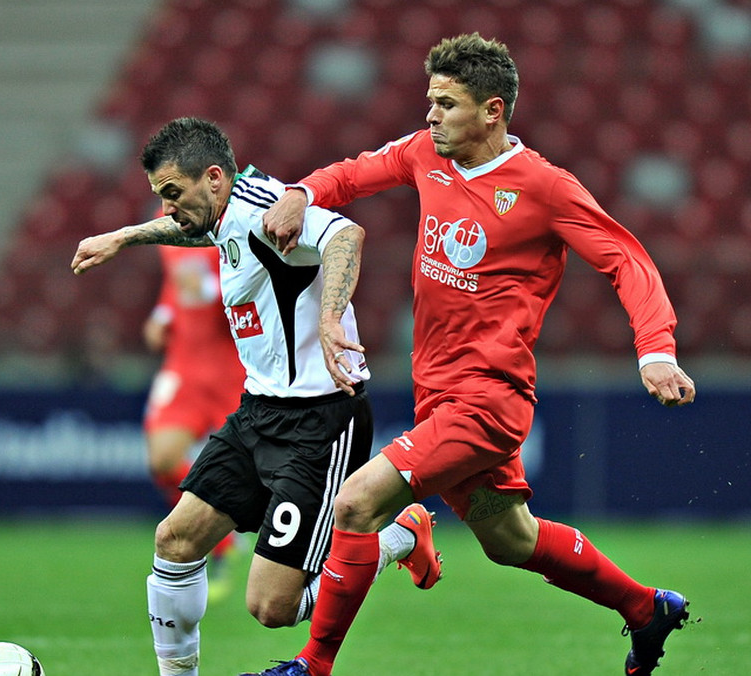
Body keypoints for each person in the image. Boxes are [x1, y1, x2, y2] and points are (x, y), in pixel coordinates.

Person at [244, 33, 697, 676]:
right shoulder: (426, 153)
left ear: (493, 111)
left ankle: (311, 666)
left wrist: (655, 348)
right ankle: (648, 609)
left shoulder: (544, 186)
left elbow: (624, 258)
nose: (431, 116)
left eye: (446, 104)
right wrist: (302, 192)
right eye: (429, 100)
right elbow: (352, 173)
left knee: (355, 502)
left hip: (489, 396)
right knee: (510, 540)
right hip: (437, 391)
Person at [71, 117, 441, 676]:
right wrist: (123, 238)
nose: (167, 208)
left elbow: (345, 235)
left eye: (172, 193)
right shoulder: (221, 216)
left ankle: (395, 536)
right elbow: (197, 232)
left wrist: (331, 313)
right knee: (174, 540)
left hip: (321, 422)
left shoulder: (265, 205)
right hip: (257, 413)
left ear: (214, 178)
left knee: (271, 607)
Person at [142, 244, 246, 599]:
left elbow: (248, 281)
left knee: (264, 465)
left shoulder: (233, 214)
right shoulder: (164, 220)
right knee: (163, 461)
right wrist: (164, 311)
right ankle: (220, 542)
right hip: (184, 366)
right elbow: (178, 281)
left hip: (232, 366)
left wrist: (205, 289)